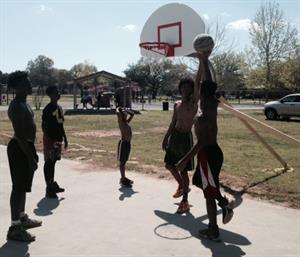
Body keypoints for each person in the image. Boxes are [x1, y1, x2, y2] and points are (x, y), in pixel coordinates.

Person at [175, 52, 235, 241]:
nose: (196, 90)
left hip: (208, 153)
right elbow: (203, 82)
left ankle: (213, 229)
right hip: (207, 154)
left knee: (208, 193)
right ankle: (224, 203)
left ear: (205, 93)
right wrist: (202, 60)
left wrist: (184, 160)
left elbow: (201, 142)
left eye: (200, 89)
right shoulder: (205, 104)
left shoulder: (207, 109)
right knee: (200, 183)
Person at [6, 71, 42, 242]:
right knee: (18, 187)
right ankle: (14, 228)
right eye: (26, 83)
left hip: (26, 147)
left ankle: (22, 218)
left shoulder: (25, 103)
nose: (30, 85)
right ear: (18, 87)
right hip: (19, 148)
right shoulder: (16, 106)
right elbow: (20, 136)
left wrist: (32, 151)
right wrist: (29, 157)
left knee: (24, 186)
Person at [162, 66, 203, 214]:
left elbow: (198, 82)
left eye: (188, 87)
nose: (185, 89)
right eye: (183, 87)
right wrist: (166, 137)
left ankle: (185, 201)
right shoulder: (177, 105)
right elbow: (173, 123)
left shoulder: (193, 103)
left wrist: (202, 62)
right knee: (169, 165)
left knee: (183, 171)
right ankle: (182, 185)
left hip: (186, 138)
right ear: (180, 89)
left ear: (192, 90)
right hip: (175, 137)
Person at [42, 86, 68, 198]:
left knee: (53, 162)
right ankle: (49, 187)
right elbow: (44, 125)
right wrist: (48, 139)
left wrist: (65, 138)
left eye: (58, 91)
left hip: (58, 139)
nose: (58, 93)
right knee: (49, 162)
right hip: (50, 139)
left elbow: (61, 124)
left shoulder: (59, 108)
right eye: (56, 92)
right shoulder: (48, 109)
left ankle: (52, 183)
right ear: (50, 95)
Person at [117, 107, 135, 187]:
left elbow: (132, 114)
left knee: (124, 161)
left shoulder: (126, 122)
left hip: (128, 144)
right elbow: (117, 112)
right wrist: (120, 109)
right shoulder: (121, 122)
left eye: (126, 115)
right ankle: (123, 178)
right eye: (124, 115)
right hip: (123, 144)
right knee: (122, 162)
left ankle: (123, 178)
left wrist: (127, 110)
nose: (126, 115)